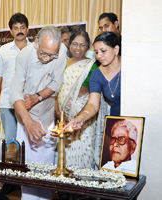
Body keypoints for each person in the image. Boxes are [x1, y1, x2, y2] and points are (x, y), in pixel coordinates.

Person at [10, 26, 67, 200]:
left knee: (45, 170)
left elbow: (57, 83)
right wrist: (28, 122)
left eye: (52, 55)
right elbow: (15, 92)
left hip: (46, 115)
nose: (48, 58)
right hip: (26, 116)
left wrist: (37, 97)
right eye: (44, 53)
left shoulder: (61, 51)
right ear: (35, 43)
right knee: (28, 172)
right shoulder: (23, 56)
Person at [64, 32, 121, 166]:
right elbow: (93, 105)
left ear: (116, 49)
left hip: (133, 121)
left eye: (103, 51)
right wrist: (81, 118)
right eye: (96, 52)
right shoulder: (97, 74)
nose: (98, 56)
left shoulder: (130, 67)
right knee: (113, 166)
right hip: (114, 123)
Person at [55, 31, 101, 169]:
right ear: (69, 44)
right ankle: (65, 188)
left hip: (85, 120)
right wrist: (58, 114)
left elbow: (92, 94)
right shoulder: (61, 63)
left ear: (88, 48)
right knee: (66, 154)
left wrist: (79, 116)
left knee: (85, 153)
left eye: (82, 45)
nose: (78, 48)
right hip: (63, 118)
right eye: (75, 44)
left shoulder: (92, 65)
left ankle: (85, 187)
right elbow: (55, 90)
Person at [0, 13, 30, 143]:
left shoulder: (35, 50)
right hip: (7, 104)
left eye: (22, 27)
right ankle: (10, 164)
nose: (20, 31)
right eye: (16, 28)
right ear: (11, 31)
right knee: (11, 142)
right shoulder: (3, 50)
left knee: (29, 142)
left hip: (30, 103)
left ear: (27, 29)